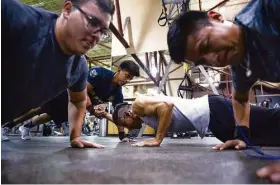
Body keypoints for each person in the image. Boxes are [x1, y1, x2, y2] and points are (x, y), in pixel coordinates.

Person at [167, 0, 280, 182]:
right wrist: (241, 135)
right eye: (203, 61)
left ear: (216, 18)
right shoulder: (241, 64)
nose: (213, 59)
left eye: (206, 45)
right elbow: (240, 99)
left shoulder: (268, 9)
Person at [2, 0, 115, 148]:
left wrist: (75, 136)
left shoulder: (78, 68)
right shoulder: (15, 17)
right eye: (93, 22)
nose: (97, 36)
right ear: (67, 10)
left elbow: (78, 101)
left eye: (103, 31)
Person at [2, 61, 140, 143]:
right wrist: (92, 108)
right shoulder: (100, 73)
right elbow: (84, 90)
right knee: (39, 109)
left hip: (80, 105)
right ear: (119, 70)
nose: (127, 80)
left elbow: (118, 115)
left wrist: (122, 135)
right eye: (127, 76)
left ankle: (26, 127)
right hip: (67, 94)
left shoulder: (117, 93)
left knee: (51, 116)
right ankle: (7, 126)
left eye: (130, 79)